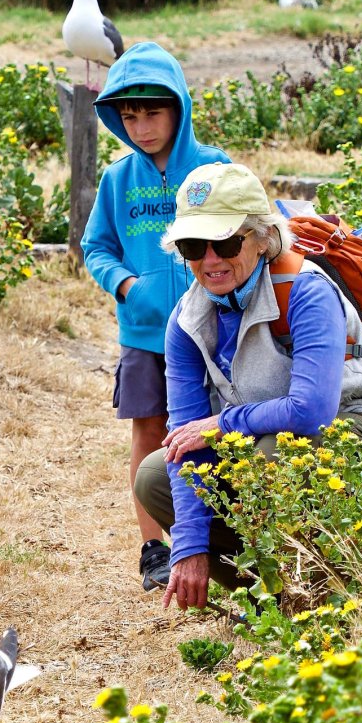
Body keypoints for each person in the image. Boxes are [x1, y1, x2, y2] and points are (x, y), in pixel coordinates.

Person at [134, 162, 362, 612]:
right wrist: (189, 547)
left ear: (263, 237)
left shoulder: (306, 291)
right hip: (275, 436)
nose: (210, 260)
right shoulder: (186, 320)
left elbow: (311, 411)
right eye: (194, 246)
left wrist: (220, 424)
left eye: (226, 241)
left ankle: (345, 587)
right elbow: (183, 440)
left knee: (273, 454)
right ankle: (283, 601)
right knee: (156, 475)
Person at [81, 41, 231, 593]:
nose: (141, 127)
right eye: (129, 115)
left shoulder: (215, 167)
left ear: (179, 108)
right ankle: (153, 548)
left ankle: (216, 533)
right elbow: (95, 246)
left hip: (213, 326)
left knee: (214, 427)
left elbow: (249, 229)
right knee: (151, 429)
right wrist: (126, 285)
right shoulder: (117, 181)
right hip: (145, 332)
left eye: (153, 112)